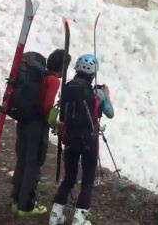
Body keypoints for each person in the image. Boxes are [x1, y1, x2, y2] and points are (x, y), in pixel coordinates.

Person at [48, 54, 115, 225]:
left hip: (70, 139)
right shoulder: (97, 92)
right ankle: (79, 218)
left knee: (69, 178)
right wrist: (106, 96)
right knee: (87, 180)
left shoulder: (67, 87)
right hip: (89, 141)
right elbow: (110, 113)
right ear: (93, 73)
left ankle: (55, 215)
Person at [11, 49, 70, 217]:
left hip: (23, 122)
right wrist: (54, 121)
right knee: (33, 164)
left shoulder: (38, 75)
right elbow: (46, 107)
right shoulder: (53, 81)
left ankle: (16, 201)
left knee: (22, 161)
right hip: (37, 127)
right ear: (62, 68)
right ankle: (26, 205)